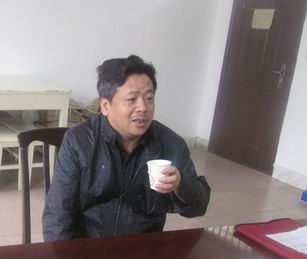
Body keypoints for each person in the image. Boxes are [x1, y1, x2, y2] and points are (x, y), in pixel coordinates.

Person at [43, 55, 210, 240]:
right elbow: (58, 214)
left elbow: (200, 207)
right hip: (88, 248)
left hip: (143, 249)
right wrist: (64, 255)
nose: (143, 108)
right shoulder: (79, 141)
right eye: (132, 99)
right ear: (105, 106)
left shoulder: (170, 144)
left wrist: (180, 184)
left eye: (149, 98)